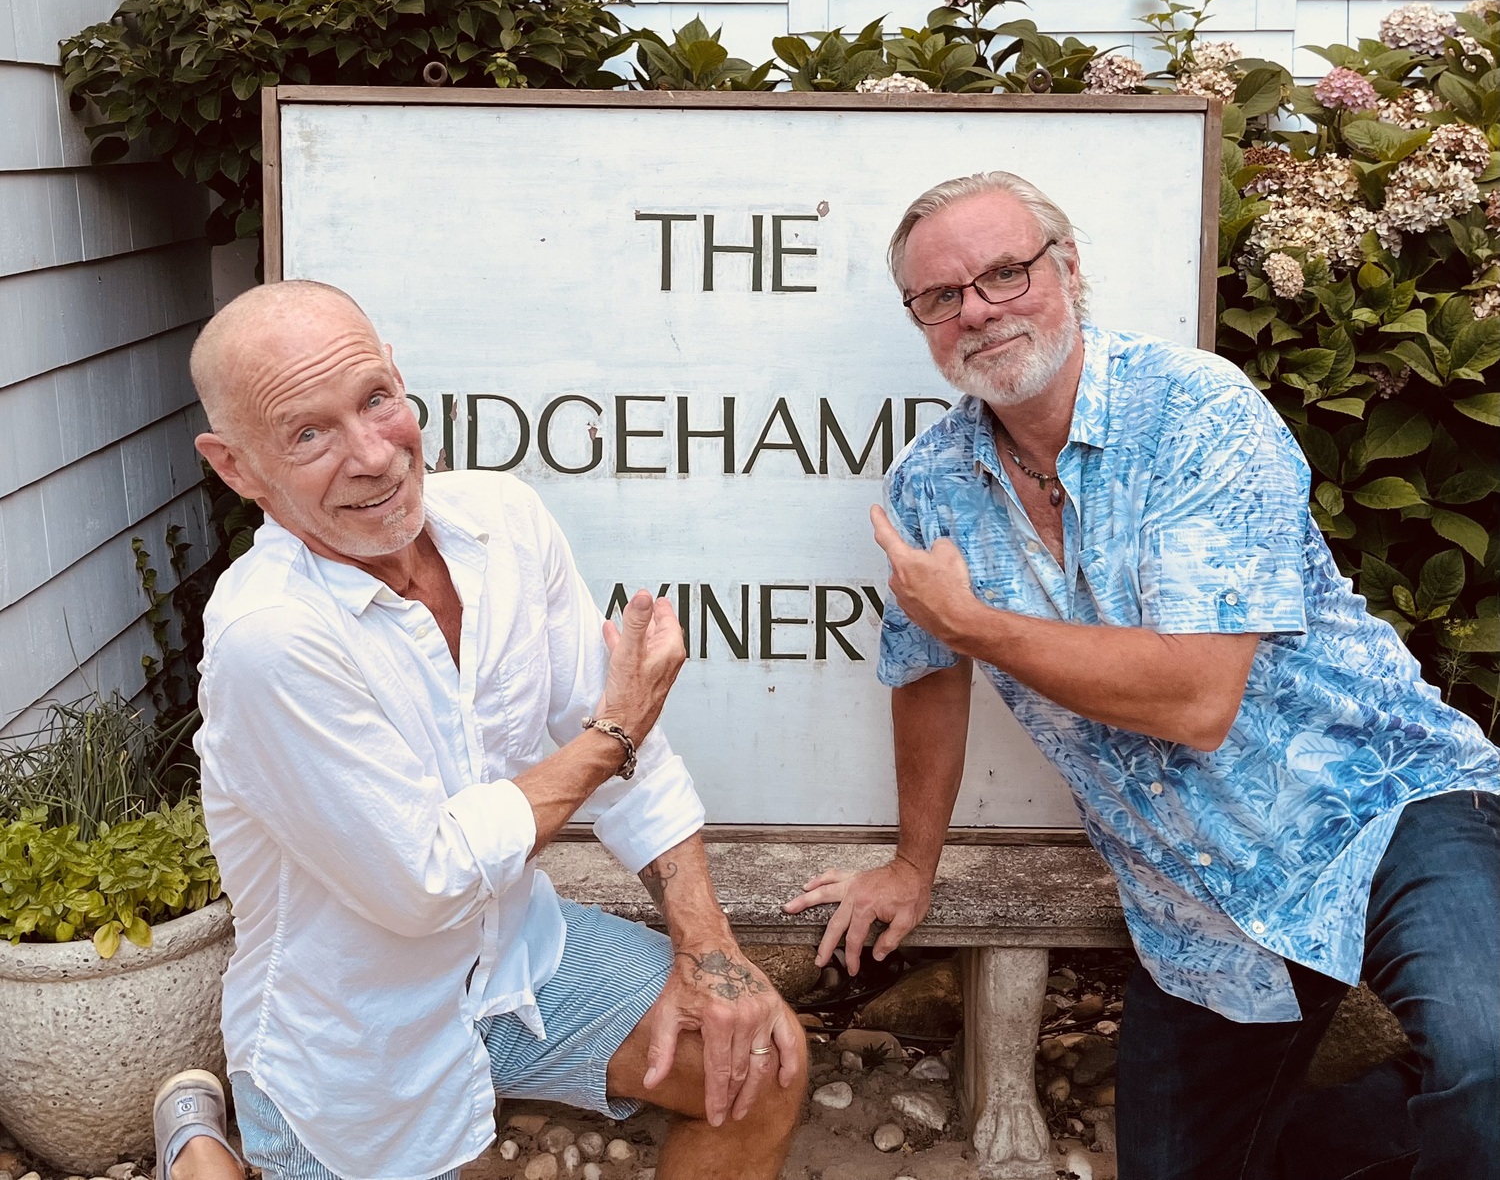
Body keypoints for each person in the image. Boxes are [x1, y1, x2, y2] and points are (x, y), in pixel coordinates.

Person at [784, 171, 1500, 1179]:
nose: (978, 310)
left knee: (1489, 1060)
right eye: (941, 297)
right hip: (1198, 891)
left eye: (1004, 273)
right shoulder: (928, 486)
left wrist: (979, 624)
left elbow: (1197, 699)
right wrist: (913, 862)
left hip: (1381, 802)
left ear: (1068, 270)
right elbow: (927, 669)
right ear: (922, 324)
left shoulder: (1196, 413)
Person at [153, 280, 805, 1180]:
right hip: (353, 1034)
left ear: (399, 379)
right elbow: (425, 883)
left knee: (760, 1062)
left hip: (517, 957)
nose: (376, 456)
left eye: (376, 400)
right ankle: (200, 1147)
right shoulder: (269, 638)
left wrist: (709, 949)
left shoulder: (505, 522)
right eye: (309, 434)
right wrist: (609, 736)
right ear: (236, 468)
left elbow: (632, 758)